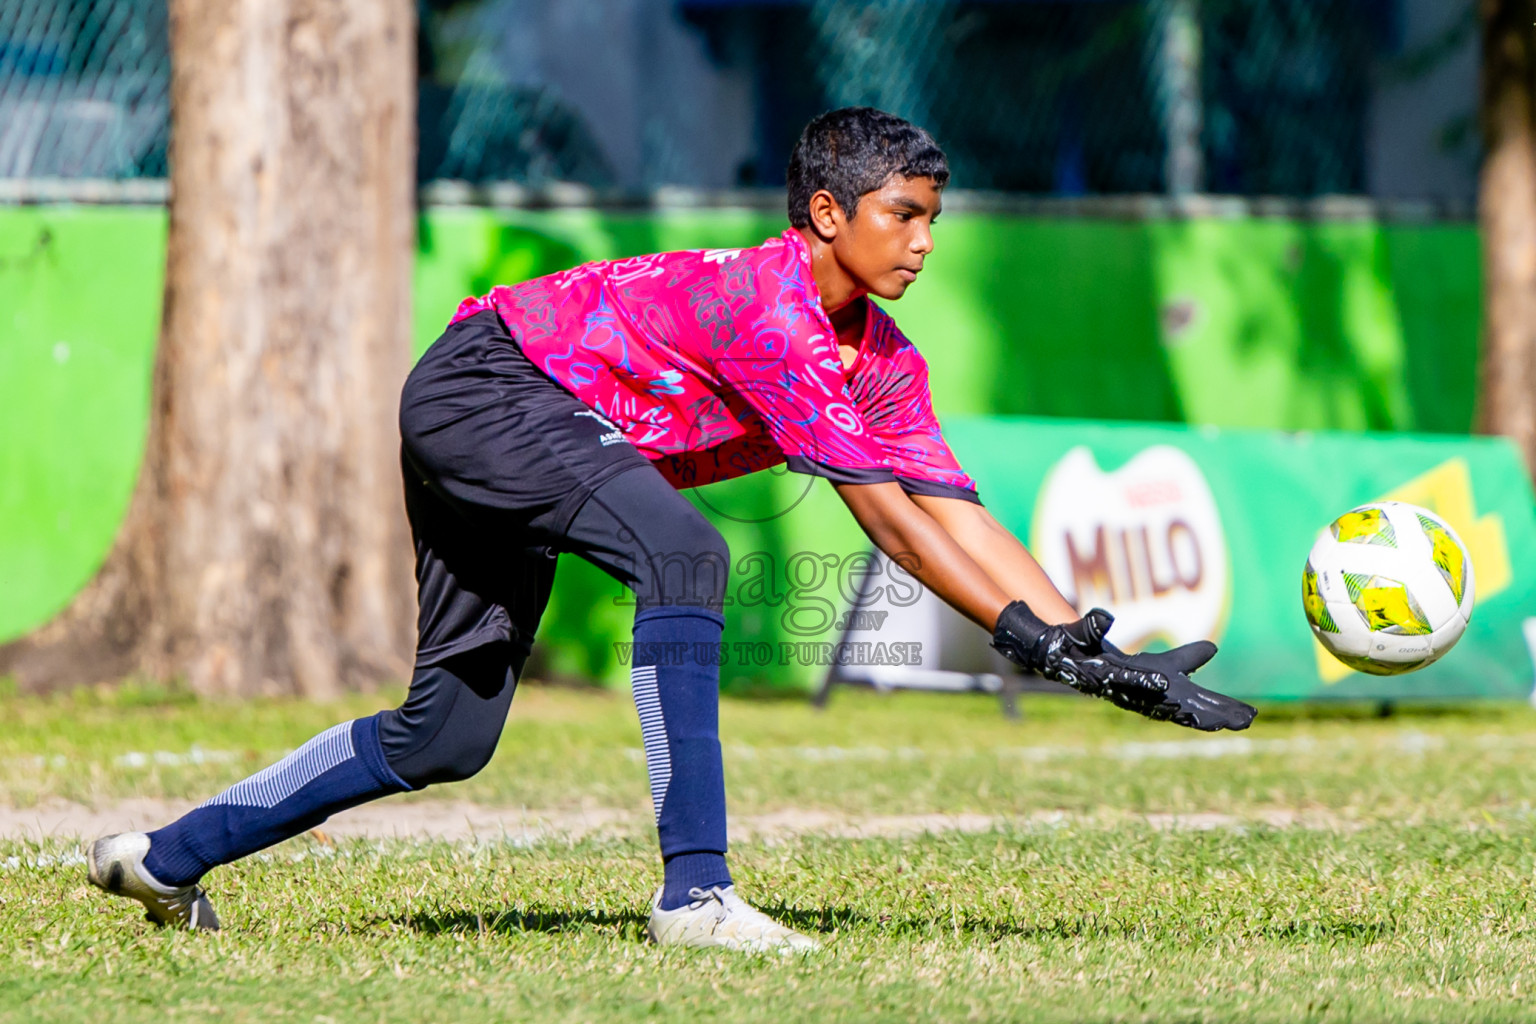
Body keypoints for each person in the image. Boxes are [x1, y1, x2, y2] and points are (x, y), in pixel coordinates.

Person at [85, 107, 1255, 950]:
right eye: (903, 215)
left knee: (444, 735)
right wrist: (1036, 643)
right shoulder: (776, 311)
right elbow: (892, 530)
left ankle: (164, 855)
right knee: (688, 554)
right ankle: (695, 895)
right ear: (827, 212)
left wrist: (1087, 651)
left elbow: (950, 509)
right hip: (485, 387)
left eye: (934, 219)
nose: (924, 242)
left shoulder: (885, 360)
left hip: (515, 419)